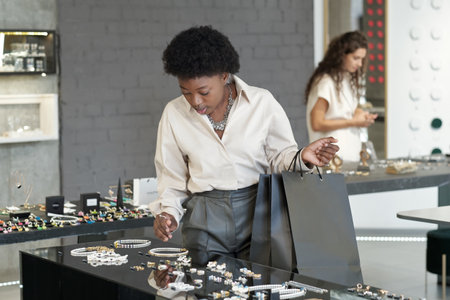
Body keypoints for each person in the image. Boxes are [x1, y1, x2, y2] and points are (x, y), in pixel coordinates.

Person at [149, 25, 339, 263]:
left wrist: (302, 157)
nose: (195, 101)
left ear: (224, 75)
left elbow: (281, 156)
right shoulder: (173, 114)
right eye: (186, 92)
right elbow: (171, 178)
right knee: (207, 288)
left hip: (259, 213)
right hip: (204, 220)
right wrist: (168, 214)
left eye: (204, 91)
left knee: (260, 287)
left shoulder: (262, 103)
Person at [305, 31, 377, 162]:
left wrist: (361, 114)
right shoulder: (325, 82)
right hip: (330, 162)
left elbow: (345, 110)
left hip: (350, 158)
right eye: (356, 58)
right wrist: (354, 122)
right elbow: (317, 123)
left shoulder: (347, 80)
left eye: (362, 59)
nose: (360, 64)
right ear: (341, 55)